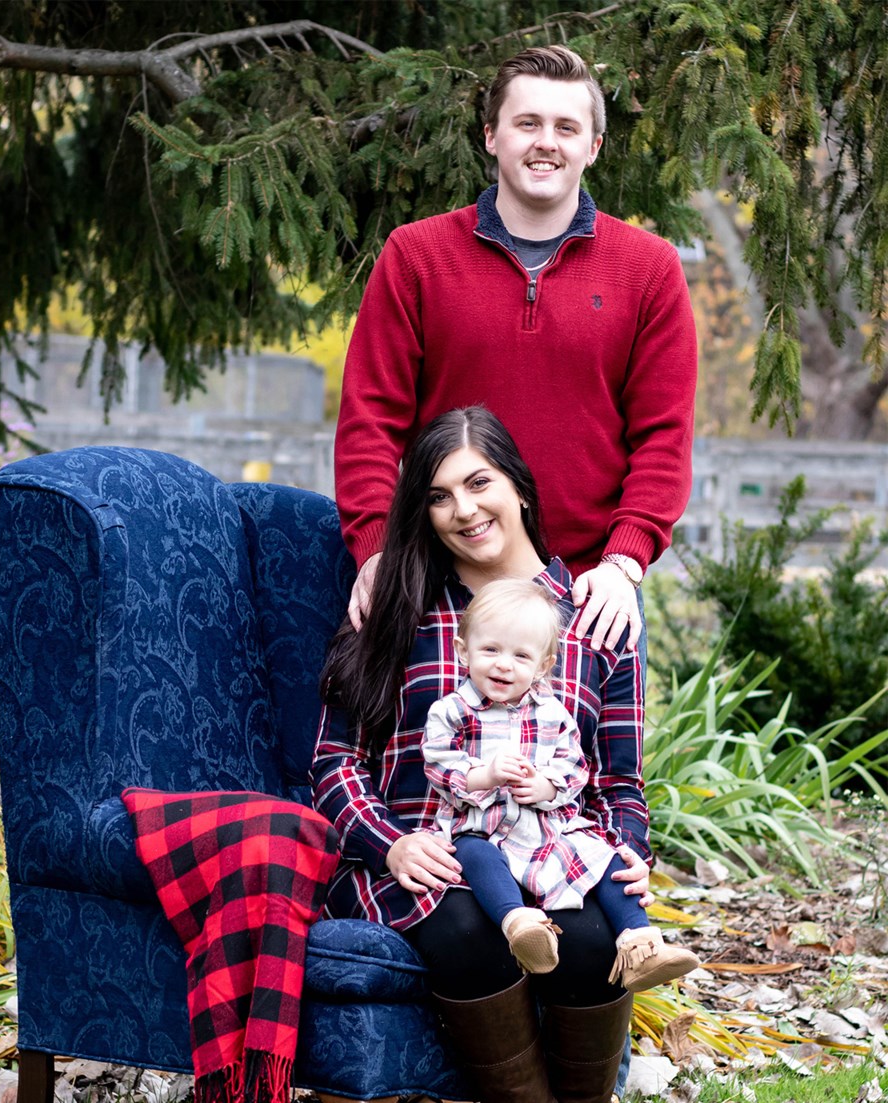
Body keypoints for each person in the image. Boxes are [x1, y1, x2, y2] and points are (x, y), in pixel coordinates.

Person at [312, 406, 664, 1103]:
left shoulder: (594, 617)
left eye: (479, 483)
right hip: (426, 859)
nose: (462, 510)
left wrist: (630, 852)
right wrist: (391, 845)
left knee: (594, 938)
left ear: (521, 488)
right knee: (465, 920)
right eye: (438, 495)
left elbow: (619, 780)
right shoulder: (396, 604)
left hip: (550, 853)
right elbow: (333, 761)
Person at [334, 44, 697, 659]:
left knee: (591, 760)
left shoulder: (649, 269)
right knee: (419, 756)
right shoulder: (416, 257)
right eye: (527, 123)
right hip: (437, 584)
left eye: (566, 127)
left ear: (593, 147)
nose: (545, 142)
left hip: (589, 590)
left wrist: (624, 562)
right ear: (492, 137)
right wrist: (375, 552)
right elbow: (370, 419)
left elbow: (664, 436)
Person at [422, 577, 699, 989]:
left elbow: (574, 766)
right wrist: (488, 775)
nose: (503, 664)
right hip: (481, 824)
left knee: (606, 859)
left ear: (543, 666)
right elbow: (439, 766)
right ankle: (518, 923)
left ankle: (639, 943)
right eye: (490, 649)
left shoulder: (552, 714)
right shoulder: (451, 712)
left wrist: (547, 787)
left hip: (546, 829)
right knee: (475, 857)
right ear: (464, 651)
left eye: (520, 656)